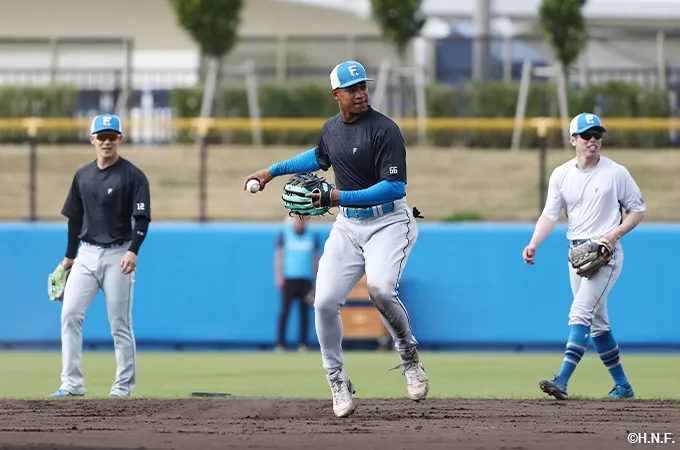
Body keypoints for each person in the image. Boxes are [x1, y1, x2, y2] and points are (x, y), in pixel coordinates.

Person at [243, 60, 428, 418]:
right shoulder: (331, 129)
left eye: (363, 87)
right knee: (324, 302)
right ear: (336, 95)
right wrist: (270, 171)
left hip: (389, 222)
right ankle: (336, 378)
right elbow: (317, 158)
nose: (360, 93)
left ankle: (408, 355)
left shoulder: (384, 130)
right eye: (352, 89)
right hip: (347, 226)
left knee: (380, 289)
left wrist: (336, 197)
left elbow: (394, 187)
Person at [522, 112, 645, 400]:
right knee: (598, 324)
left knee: (580, 312)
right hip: (577, 255)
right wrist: (534, 243)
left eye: (597, 135)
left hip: (606, 253)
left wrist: (613, 235)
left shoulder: (616, 173)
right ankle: (623, 386)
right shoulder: (561, 174)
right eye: (587, 135)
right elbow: (549, 215)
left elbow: (637, 210)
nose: (593, 140)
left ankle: (562, 380)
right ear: (573, 140)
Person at [50, 113, 151, 398]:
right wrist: (68, 258)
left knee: (120, 323)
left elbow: (142, 218)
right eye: (102, 136)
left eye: (112, 136)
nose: (107, 142)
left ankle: (122, 387)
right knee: (69, 314)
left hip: (119, 254)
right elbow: (74, 219)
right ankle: (71, 384)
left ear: (120, 139)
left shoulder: (133, 176)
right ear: (92, 139)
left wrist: (133, 250)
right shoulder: (82, 176)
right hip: (86, 253)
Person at [274, 215, 320, 352]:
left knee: (304, 313)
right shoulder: (285, 234)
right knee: (285, 311)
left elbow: (315, 258)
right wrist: (279, 276)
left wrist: (317, 278)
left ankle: (303, 343)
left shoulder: (312, 235)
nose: (301, 220)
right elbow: (279, 256)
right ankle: (281, 343)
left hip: (305, 279)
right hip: (289, 278)